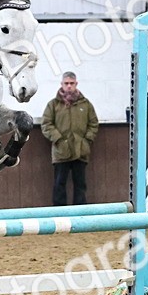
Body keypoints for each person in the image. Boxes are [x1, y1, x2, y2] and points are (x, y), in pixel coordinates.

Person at [41, 71, 99, 206]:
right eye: (66, 83)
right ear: (61, 84)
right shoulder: (53, 105)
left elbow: (93, 123)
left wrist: (86, 141)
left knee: (80, 184)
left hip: (80, 151)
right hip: (61, 152)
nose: (69, 86)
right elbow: (46, 124)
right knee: (59, 184)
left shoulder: (86, 104)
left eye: (71, 83)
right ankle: (59, 212)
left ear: (76, 84)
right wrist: (58, 139)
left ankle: (80, 212)